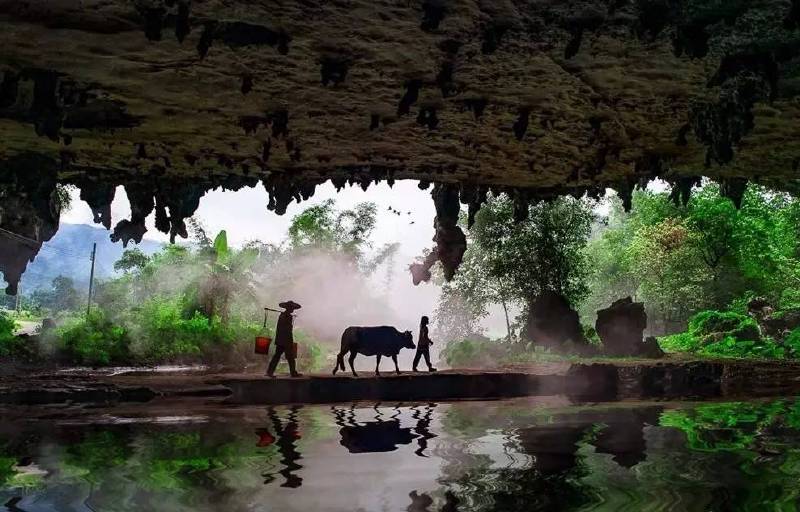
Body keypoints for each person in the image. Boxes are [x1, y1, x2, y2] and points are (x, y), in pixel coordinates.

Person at [267, 300, 302, 378]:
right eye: (292, 308)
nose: (293, 309)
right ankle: (293, 373)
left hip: (281, 339)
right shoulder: (285, 316)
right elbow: (286, 330)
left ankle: (270, 372)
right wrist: (289, 340)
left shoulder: (284, 315)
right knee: (290, 357)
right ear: (289, 308)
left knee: (279, 356)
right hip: (285, 340)